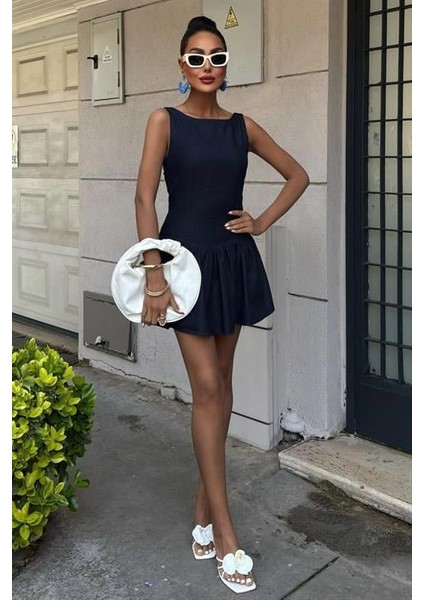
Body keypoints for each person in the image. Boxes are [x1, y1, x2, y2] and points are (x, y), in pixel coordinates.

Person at [134, 15, 309, 594]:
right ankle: (226, 533)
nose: (207, 66)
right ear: (181, 66)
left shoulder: (242, 126)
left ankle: (203, 508)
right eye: (196, 57)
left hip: (231, 261)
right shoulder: (164, 120)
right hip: (183, 266)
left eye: (216, 56)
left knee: (223, 384)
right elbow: (143, 197)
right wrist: (154, 272)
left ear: (226, 65)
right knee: (208, 388)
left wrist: (260, 221)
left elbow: (298, 175)